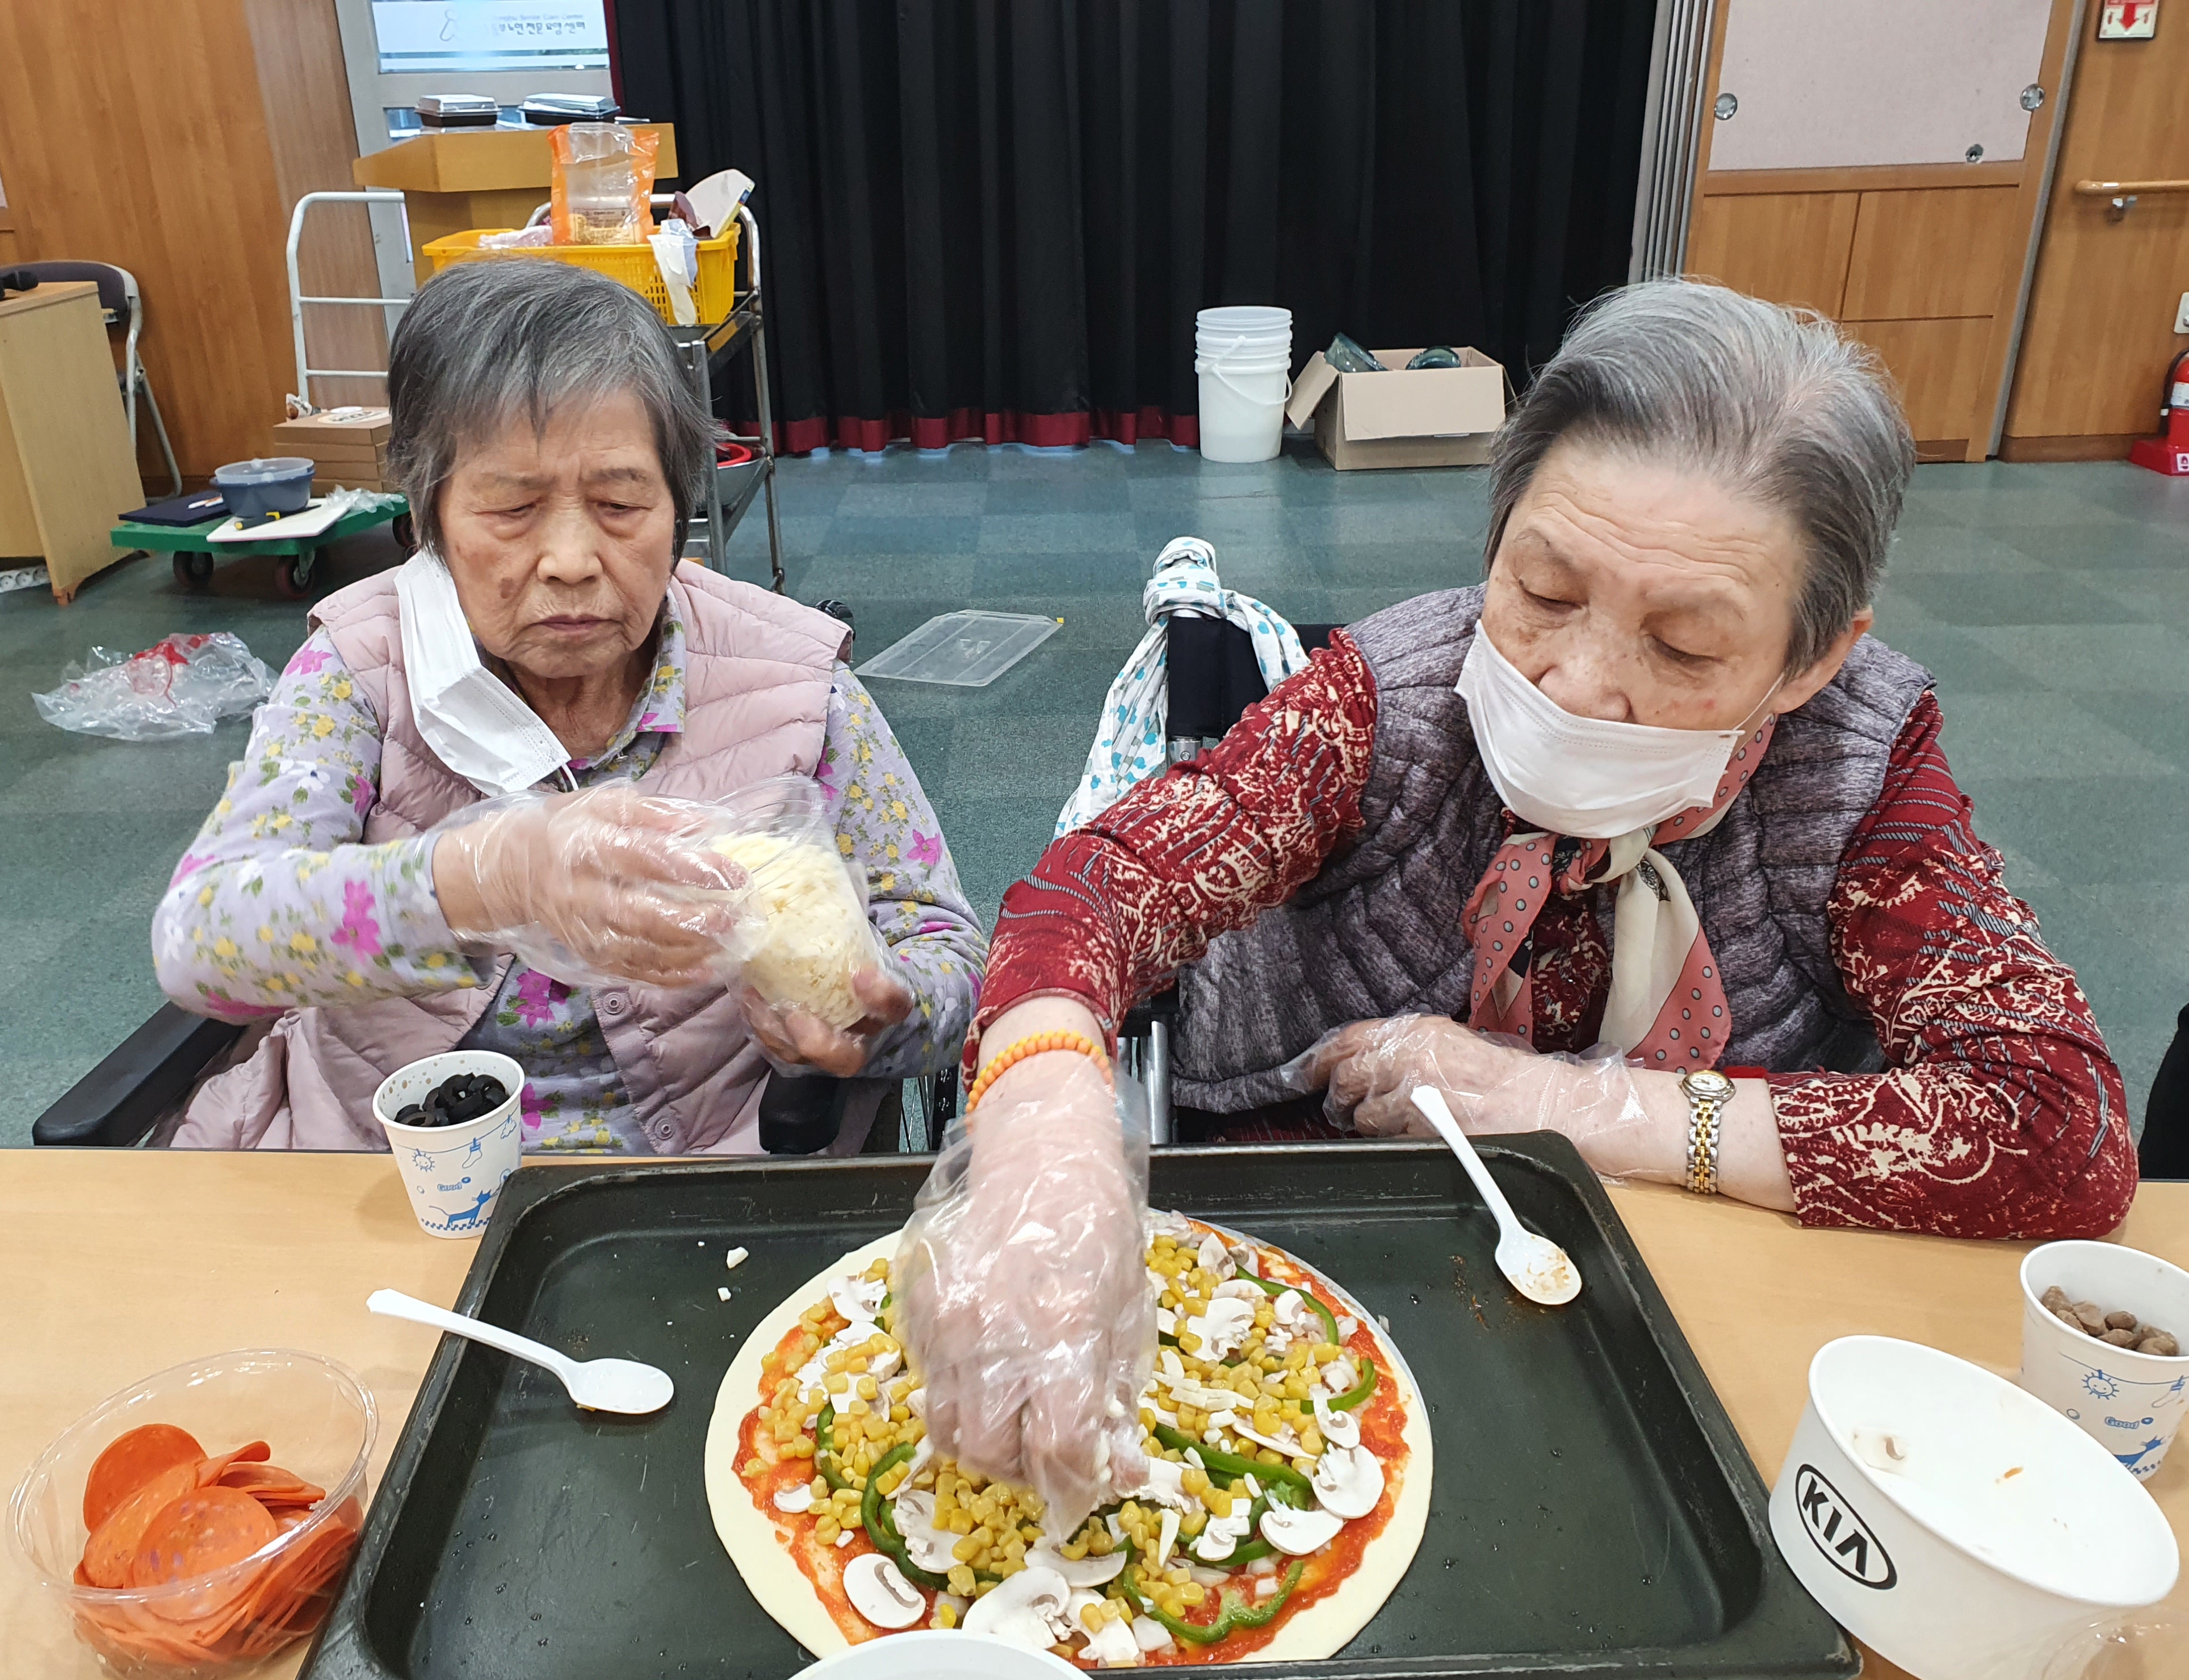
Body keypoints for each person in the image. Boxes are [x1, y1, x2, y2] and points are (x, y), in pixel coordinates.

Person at [900, 279, 2134, 1527]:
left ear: (1812, 658)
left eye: (1685, 647)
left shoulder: (1859, 772)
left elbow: (2057, 1131)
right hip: (1331, 1234)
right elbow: (1100, 886)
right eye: (1543, 592)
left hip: (1680, 1289)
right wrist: (1044, 1124)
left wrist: (1569, 1106)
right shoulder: (1393, 701)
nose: (1579, 684)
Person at [152, 259, 983, 1152]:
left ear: (679, 503)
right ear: (430, 515)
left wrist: (882, 1022)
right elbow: (201, 939)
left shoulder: (793, 681)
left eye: (621, 503)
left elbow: (944, 949)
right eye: (512, 509)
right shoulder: (359, 670)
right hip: (383, 1175)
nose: (572, 561)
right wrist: (483, 879)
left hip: (707, 1178)